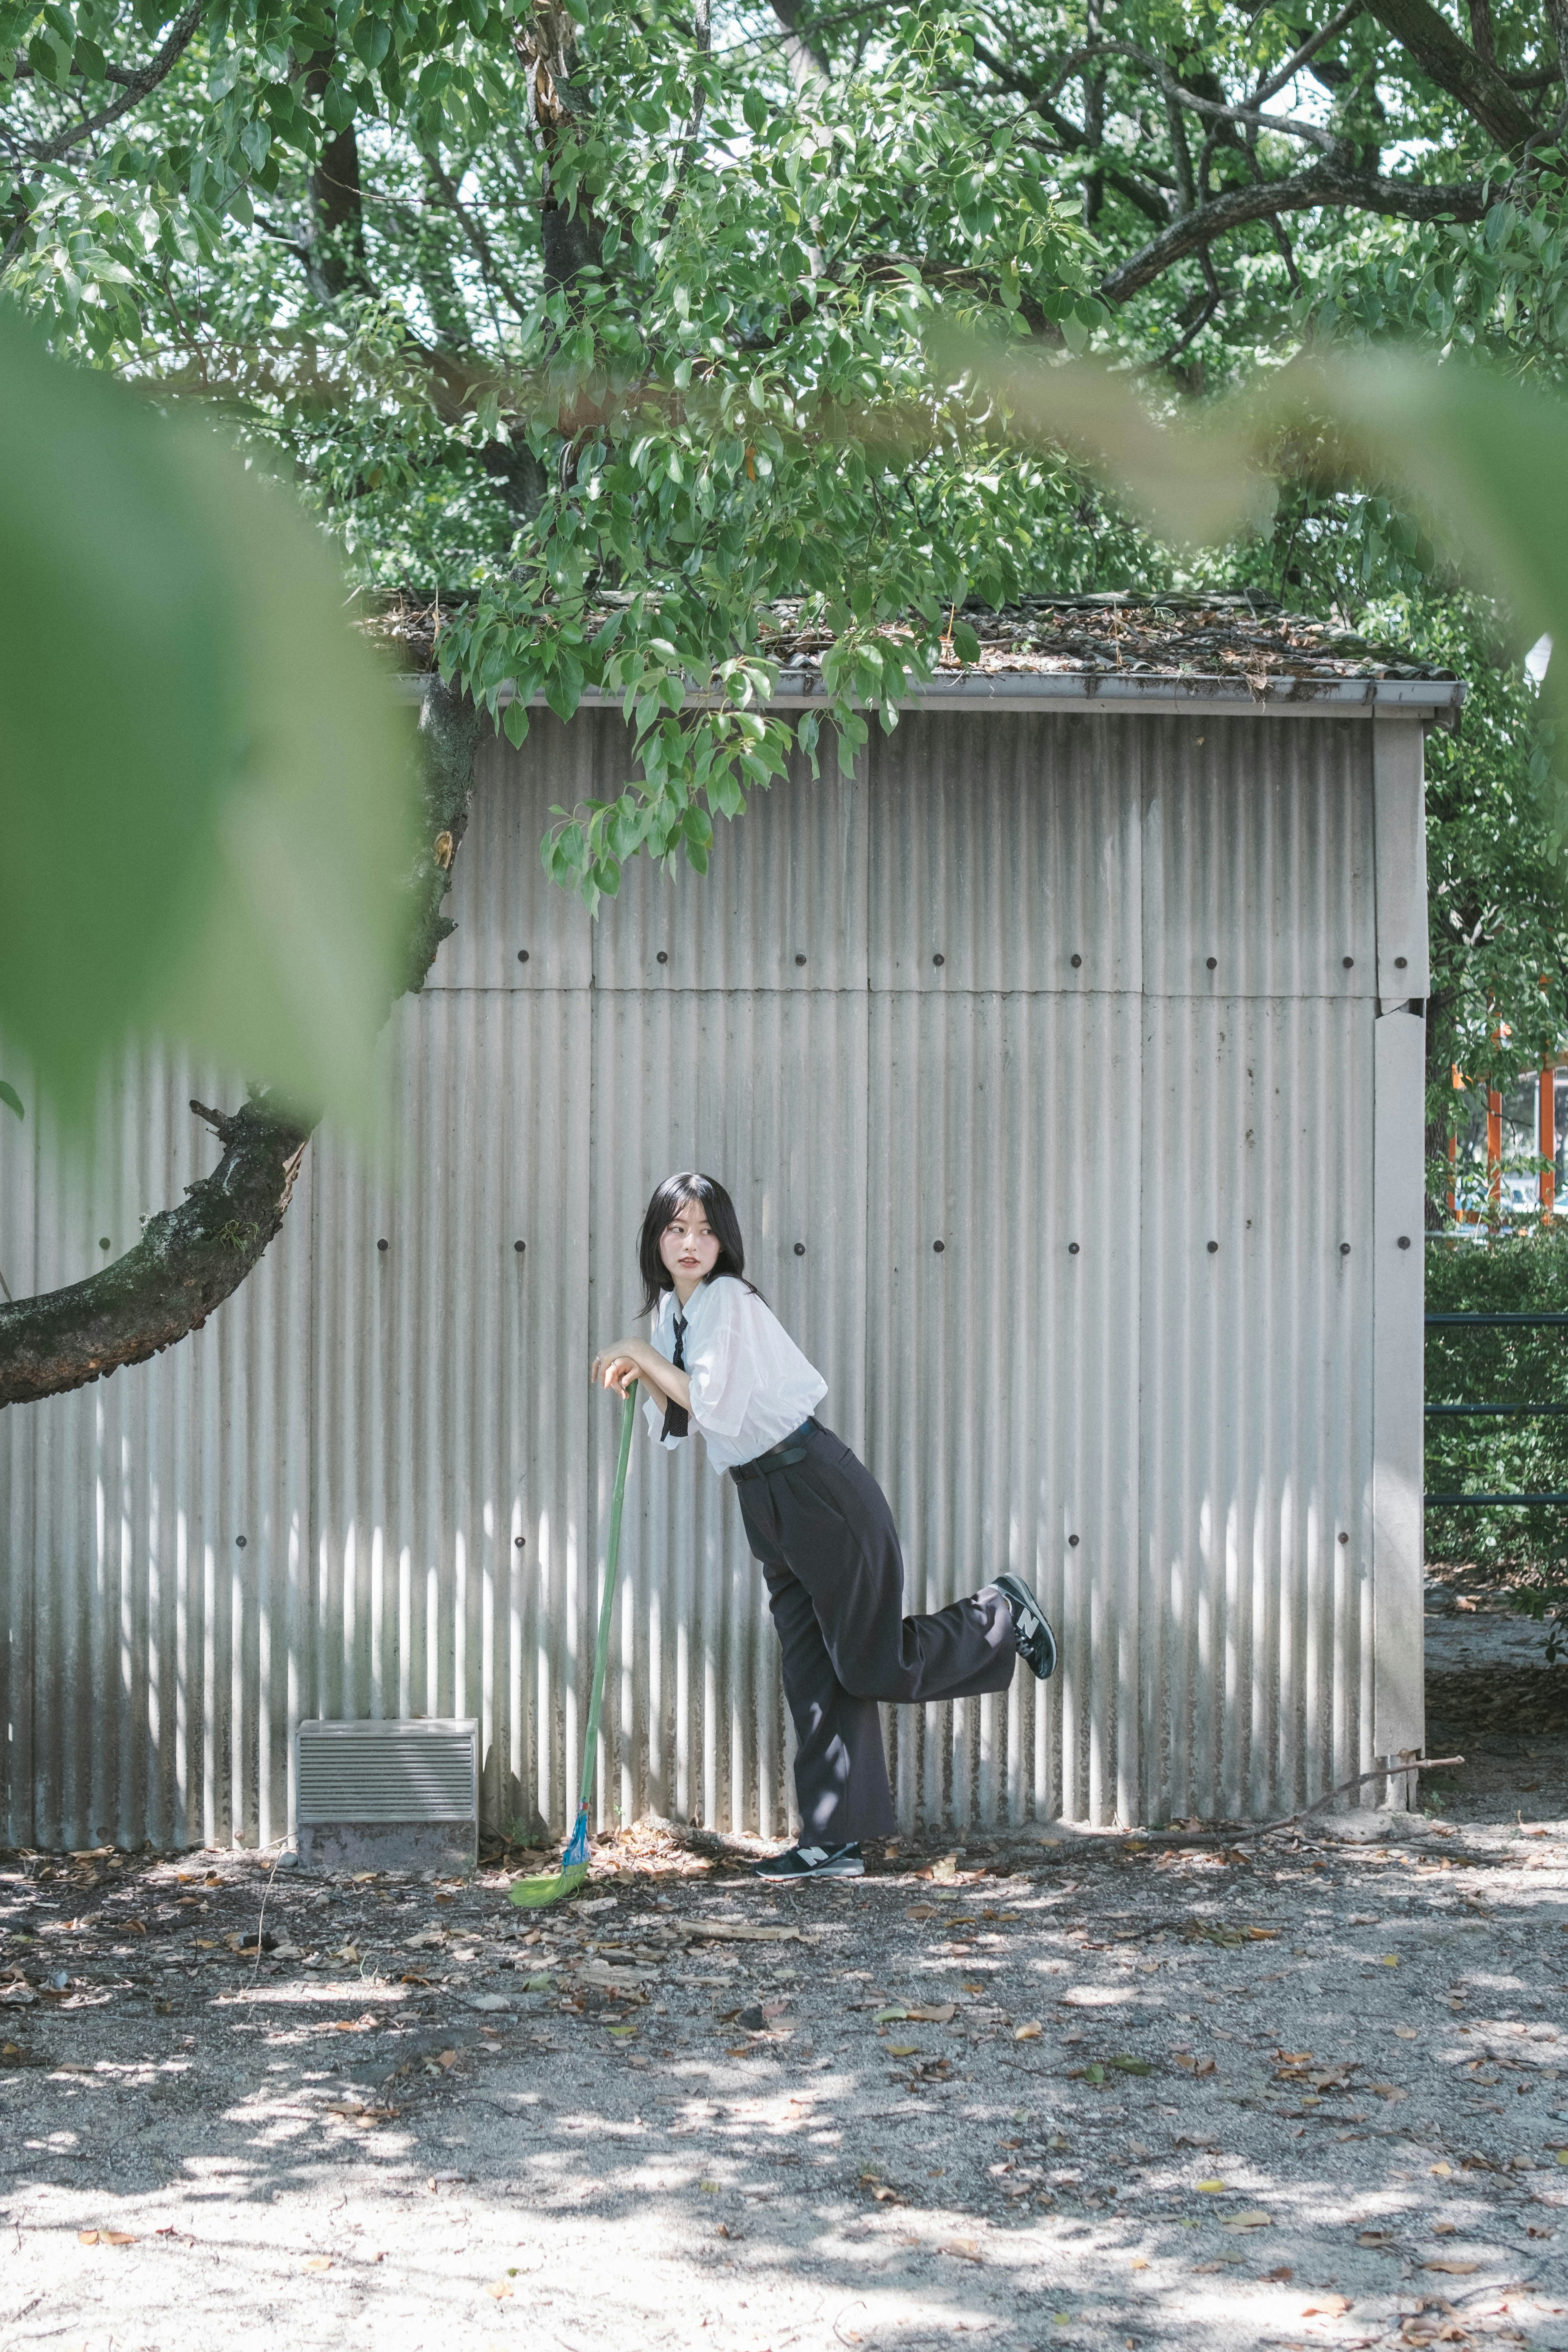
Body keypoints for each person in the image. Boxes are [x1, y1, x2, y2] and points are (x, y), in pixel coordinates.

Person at [590, 1172, 1057, 1882]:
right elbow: (681, 1425)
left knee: (871, 1663)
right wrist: (644, 1371)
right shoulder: (674, 1315)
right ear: (655, 1237)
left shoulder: (730, 1303)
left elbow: (714, 1404)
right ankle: (833, 1839)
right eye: (677, 1229)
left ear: (726, 1241)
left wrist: (643, 1357)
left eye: (706, 1230)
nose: (692, 1243)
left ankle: (999, 1614)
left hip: (815, 1484)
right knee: (813, 1670)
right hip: (764, 1499)